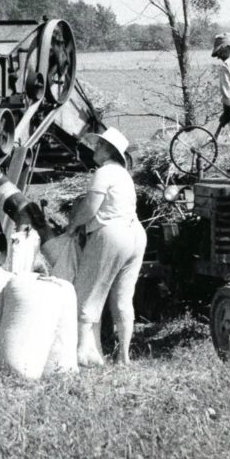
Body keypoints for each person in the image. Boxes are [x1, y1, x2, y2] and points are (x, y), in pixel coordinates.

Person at [67, 127, 145, 366]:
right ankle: (124, 358)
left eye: (99, 146)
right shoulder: (124, 175)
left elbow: (91, 208)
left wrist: (72, 227)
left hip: (112, 233)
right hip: (135, 234)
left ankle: (82, 353)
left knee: (86, 291)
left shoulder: (104, 172)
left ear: (109, 151)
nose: (95, 149)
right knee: (122, 298)